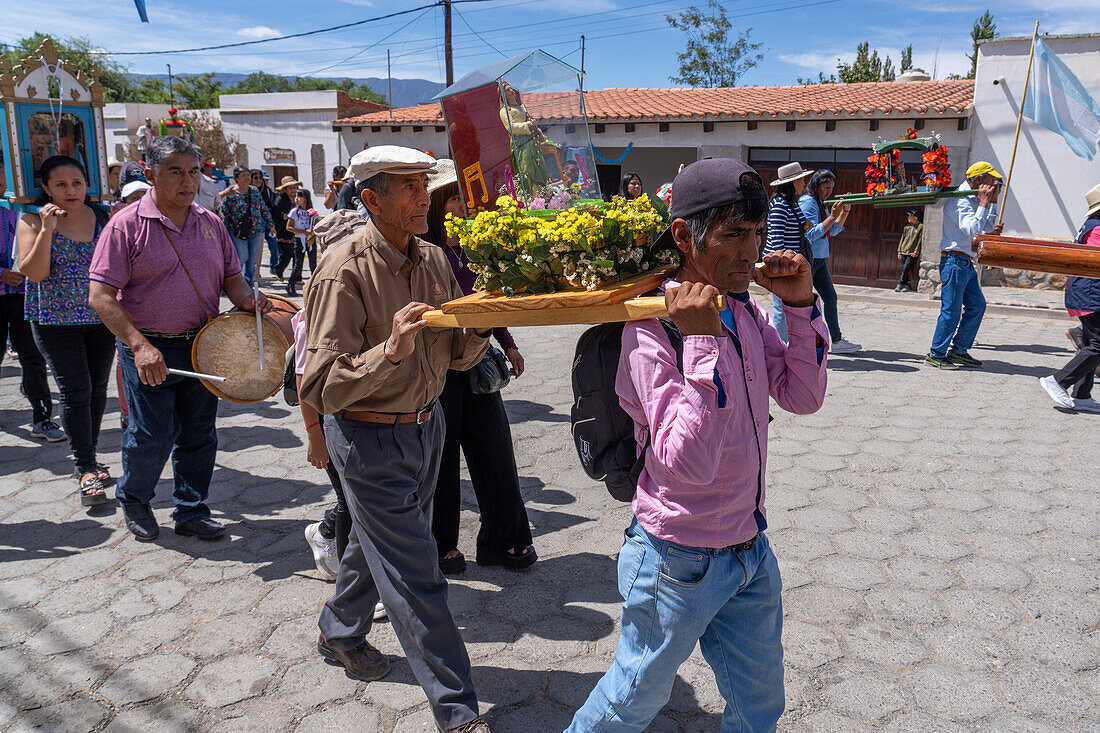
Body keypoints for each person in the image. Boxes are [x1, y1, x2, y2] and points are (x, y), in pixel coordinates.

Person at [566, 158, 829, 733]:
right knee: (630, 701)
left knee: (759, 707)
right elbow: (688, 464)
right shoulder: (651, 330)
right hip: (675, 562)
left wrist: (801, 305)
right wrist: (703, 345)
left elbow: (802, 395)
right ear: (684, 235)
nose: (750, 250)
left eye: (756, 233)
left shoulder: (744, 310)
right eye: (733, 233)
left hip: (749, 550)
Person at [300, 145, 492, 733]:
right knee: (416, 572)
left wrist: (479, 324)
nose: (422, 197)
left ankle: (338, 630)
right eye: (408, 187)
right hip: (367, 437)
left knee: (374, 541)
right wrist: (390, 352)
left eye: (423, 185)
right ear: (371, 199)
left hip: (426, 427)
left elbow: (455, 355)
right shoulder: (345, 270)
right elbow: (323, 383)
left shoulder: (432, 257)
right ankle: (457, 710)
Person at [88, 135, 270, 542]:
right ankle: (134, 500)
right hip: (149, 348)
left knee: (199, 432)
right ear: (150, 174)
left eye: (193, 171)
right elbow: (100, 296)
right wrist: (138, 346)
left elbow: (233, 282)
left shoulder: (211, 223)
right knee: (151, 434)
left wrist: (252, 301)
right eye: (175, 172)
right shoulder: (126, 225)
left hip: (203, 346)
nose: (187, 181)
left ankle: (190, 510)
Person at [423, 160, 535, 575]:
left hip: (478, 354)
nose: (461, 206)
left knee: (495, 450)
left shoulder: (473, 245)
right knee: (443, 455)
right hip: (439, 364)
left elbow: (488, 299)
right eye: (453, 197)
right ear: (436, 203)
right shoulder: (424, 251)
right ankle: (440, 544)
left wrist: (508, 343)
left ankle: (505, 540)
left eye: (463, 198)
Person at [17, 156, 115, 506]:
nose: (70, 191)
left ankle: (90, 455)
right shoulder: (30, 220)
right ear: (45, 188)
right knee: (76, 391)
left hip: (100, 319)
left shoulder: (103, 218)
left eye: (77, 182)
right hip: (54, 322)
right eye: (60, 184)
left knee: (97, 390)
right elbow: (36, 274)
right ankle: (85, 467)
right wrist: (47, 230)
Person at [925, 161, 1003, 369]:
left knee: (977, 306)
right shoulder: (959, 200)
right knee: (951, 310)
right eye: (990, 180)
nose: (993, 183)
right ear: (978, 180)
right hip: (954, 261)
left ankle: (959, 350)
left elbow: (984, 228)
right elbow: (971, 230)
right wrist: (985, 203)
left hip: (965, 262)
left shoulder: (974, 199)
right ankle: (936, 353)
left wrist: (992, 203)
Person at [1, 207, 64, 443]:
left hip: (22, 296)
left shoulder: (19, 215)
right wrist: (1, 273)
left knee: (33, 358)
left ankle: (42, 418)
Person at [1039, 183, 1100, 413]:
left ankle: (1082, 395)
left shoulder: (1093, 225)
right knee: (1098, 344)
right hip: (1090, 291)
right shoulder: (1097, 229)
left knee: (1089, 343)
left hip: (1088, 290)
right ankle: (1058, 381)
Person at [799, 169, 860, 353]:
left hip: (820, 259)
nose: (829, 192)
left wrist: (844, 213)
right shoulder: (808, 203)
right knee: (804, 302)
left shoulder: (820, 202)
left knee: (830, 297)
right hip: (809, 259)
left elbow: (831, 230)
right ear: (817, 186)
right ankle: (805, 341)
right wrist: (833, 216)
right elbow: (811, 234)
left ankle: (836, 340)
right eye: (826, 187)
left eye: (831, 188)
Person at [763, 161, 814, 343]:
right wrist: (783, 266)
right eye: (801, 180)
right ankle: (781, 345)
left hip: (791, 263)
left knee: (790, 306)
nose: (804, 184)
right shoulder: (779, 205)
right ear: (793, 183)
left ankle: (789, 343)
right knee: (781, 308)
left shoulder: (792, 205)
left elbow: (804, 226)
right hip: (781, 264)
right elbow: (776, 239)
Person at [221, 167, 274, 287]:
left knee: (252, 260)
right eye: (243, 175)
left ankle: (247, 284)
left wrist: (271, 225)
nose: (246, 178)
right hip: (237, 231)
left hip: (255, 230)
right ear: (236, 178)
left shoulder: (254, 191)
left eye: (247, 175)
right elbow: (223, 212)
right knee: (242, 256)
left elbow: (263, 208)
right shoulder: (230, 193)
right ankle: (232, 282)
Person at [285, 189, 318, 296]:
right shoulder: (295, 211)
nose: (296, 199)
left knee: (313, 264)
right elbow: (289, 227)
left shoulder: (312, 211)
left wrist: (312, 237)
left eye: (299, 196)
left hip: (310, 240)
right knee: (298, 264)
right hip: (299, 240)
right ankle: (290, 284)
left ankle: (315, 287)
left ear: (306, 198)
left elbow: (317, 226)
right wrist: (303, 232)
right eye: (295, 196)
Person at [272, 177, 300, 284]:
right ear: (285, 190)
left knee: (297, 253)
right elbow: (276, 215)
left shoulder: (298, 197)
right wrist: (289, 216)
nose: (293, 190)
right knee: (287, 254)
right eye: (290, 188)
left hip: (297, 229)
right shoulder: (281, 200)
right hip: (284, 230)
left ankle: (297, 277)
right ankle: (278, 269)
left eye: (294, 187)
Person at [253, 170, 282, 274]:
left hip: (267, 222)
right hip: (255, 224)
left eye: (263, 179)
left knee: (274, 246)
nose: (261, 181)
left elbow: (267, 208)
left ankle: (274, 266)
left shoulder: (268, 191)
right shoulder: (250, 192)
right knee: (255, 251)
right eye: (257, 178)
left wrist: (271, 224)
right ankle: (254, 274)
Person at [896, 208, 923, 292]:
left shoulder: (920, 227)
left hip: (912, 252)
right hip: (904, 250)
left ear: (916, 217)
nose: (908, 217)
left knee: (905, 268)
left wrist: (916, 251)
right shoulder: (906, 227)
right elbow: (902, 238)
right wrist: (899, 251)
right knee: (905, 268)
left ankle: (900, 283)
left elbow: (919, 240)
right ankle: (906, 285)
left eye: (910, 216)